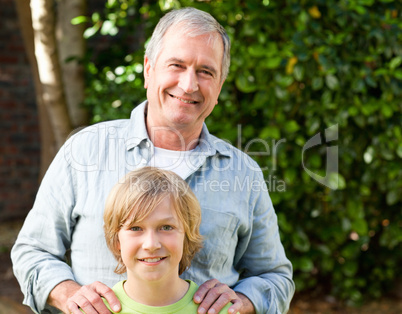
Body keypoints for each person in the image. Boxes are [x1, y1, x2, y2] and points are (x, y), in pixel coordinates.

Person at [12, 7, 294, 314]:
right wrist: (66, 294)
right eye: (177, 65)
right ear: (149, 69)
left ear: (219, 87)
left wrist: (246, 301)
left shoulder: (244, 173)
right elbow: (33, 250)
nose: (189, 85)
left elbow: (274, 276)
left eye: (205, 72)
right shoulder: (84, 151)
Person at [99, 166, 231, 313]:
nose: (151, 245)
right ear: (117, 240)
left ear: (186, 236)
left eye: (166, 227)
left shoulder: (220, 310)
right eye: (136, 228)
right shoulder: (93, 310)